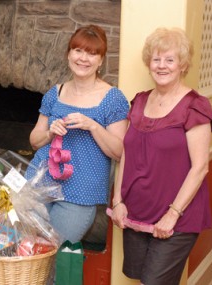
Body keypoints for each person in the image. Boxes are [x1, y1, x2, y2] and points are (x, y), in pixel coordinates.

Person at [111, 27, 212, 285]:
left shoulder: (195, 105)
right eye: (156, 59)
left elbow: (200, 167)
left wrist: (173, 213)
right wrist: (118, 201)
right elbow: (126, 154)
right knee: (139, 277)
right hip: (135, 211)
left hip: (177, 216)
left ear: (182, 64)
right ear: (149, 63)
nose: (162, 66)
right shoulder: (138, 102)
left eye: (170, 60)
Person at [25, 24, 129, 244]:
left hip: (80, 194)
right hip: (38, 184)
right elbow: (34, 141)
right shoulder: (56, 92)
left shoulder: (113, 98)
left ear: (101, 61)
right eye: (78, 51)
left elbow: (120, 152)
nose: (83, 58)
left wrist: (93, 125)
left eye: (92, 53)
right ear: (69, 54)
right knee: (25, 252)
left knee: (52, 257)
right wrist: (50, 133)